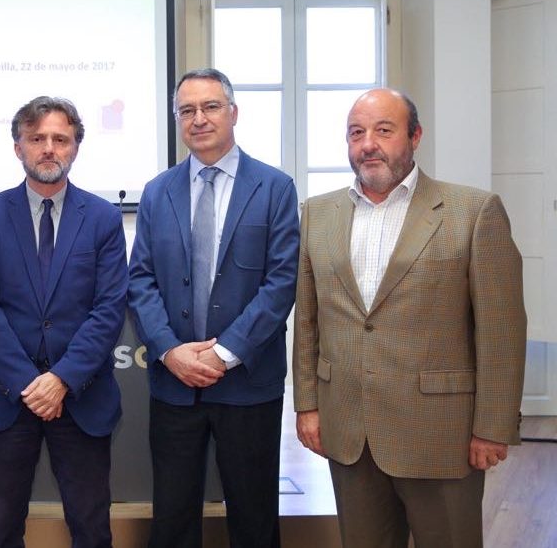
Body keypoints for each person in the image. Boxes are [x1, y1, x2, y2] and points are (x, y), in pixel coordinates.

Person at [293, 87, 527, 548]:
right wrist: (308, 404)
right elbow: (309, 318)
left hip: (442, 434)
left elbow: (501, 329)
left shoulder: (473, 212)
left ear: (415, 136)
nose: (368, 144)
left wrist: (493, 426)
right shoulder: (318, 214)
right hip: (350, 433)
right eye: (356, 133)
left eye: (383, 130)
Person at [128, 69, 299, 548]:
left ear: (233, 113)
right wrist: (169, 351)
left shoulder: (275, 188)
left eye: (210, 107)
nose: (198, 119)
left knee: (253, 517)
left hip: (248, 384)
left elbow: (280, 283)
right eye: (187, 110)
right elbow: (140, 279)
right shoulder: (158, 191)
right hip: (174, 384)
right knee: (173, 519)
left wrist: (222, 354)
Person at [0, 96, 128, 548]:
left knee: (92, 528)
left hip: (81, 397)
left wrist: (61, 380)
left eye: (60, 138)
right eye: (37, 139)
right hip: (7, 398)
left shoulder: (103, 218)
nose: (49, 148)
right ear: (18, 147)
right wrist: (28, 383)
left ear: (76, 147)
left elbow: (109, 307)